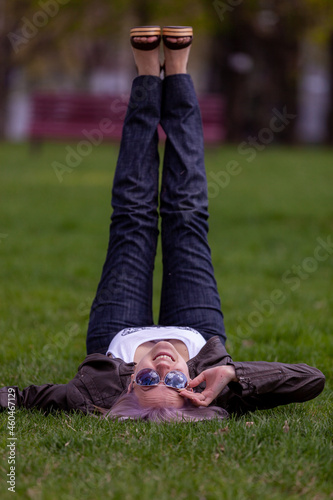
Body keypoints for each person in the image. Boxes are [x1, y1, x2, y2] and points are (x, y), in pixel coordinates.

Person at [0, 26, 325, 422]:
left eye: (149, 379)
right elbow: (311, 379)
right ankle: (178, 71)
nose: (165, 367)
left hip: (118, 331)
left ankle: (145, 76)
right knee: (187, 216)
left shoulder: (93, 392)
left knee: (132, 219)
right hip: (197, 329)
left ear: (128, 385)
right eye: (175, 382)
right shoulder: (217, 389)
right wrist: (232, 373)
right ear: (193, 386)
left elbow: (17, 397)